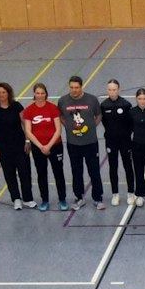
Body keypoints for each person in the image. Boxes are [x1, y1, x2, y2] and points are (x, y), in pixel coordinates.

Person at [60, 74, 104, 210]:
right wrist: (67, 126)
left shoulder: (92, 99)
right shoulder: (63, 101)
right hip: (73, 144)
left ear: (81, 86)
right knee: (76, 171)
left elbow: (99, 115)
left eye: (77, 87)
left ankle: (98, 198)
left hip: (90, 142)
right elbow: (60, 116)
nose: (74, 90)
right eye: (72, 87)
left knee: (94, 170)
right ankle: (79, 197)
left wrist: (92, 126)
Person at [0, 82, 33, 212]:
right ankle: (16, 199)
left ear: (8, 93)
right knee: (9, 174)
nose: (1, 94)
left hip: (20, 145)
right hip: (3, 147)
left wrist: (27, 141)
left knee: (25, 172)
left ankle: (28, 198)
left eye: (4, 92)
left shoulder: (17, 106)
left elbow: (25, 123)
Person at [23, 83, 68, 212]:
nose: (40, 96)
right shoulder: (29, 110)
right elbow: (28, 131)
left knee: (58, 173)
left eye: (42, 93)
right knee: (41, 174)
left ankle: (62, 199)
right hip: (38, 148)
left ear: (46, 94)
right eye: (37, 93)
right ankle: (45, 200)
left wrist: (48, 145)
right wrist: (41, 146)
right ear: (34, 94)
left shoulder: (53, 108)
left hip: (55, 146)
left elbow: (58, 129)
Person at [100, 79, 135, 207]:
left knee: (127, 166)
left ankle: (131, 192)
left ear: (119, 90)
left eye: (114, 90)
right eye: (110, 90)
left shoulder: (126, 104)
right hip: (111, 141)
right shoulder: (103, 105)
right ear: (107, 90)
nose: (112, 92)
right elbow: (104, 123)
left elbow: (131, 123)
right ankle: (115, 193)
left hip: (125, 141)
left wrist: (125, 134)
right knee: (113, 167)